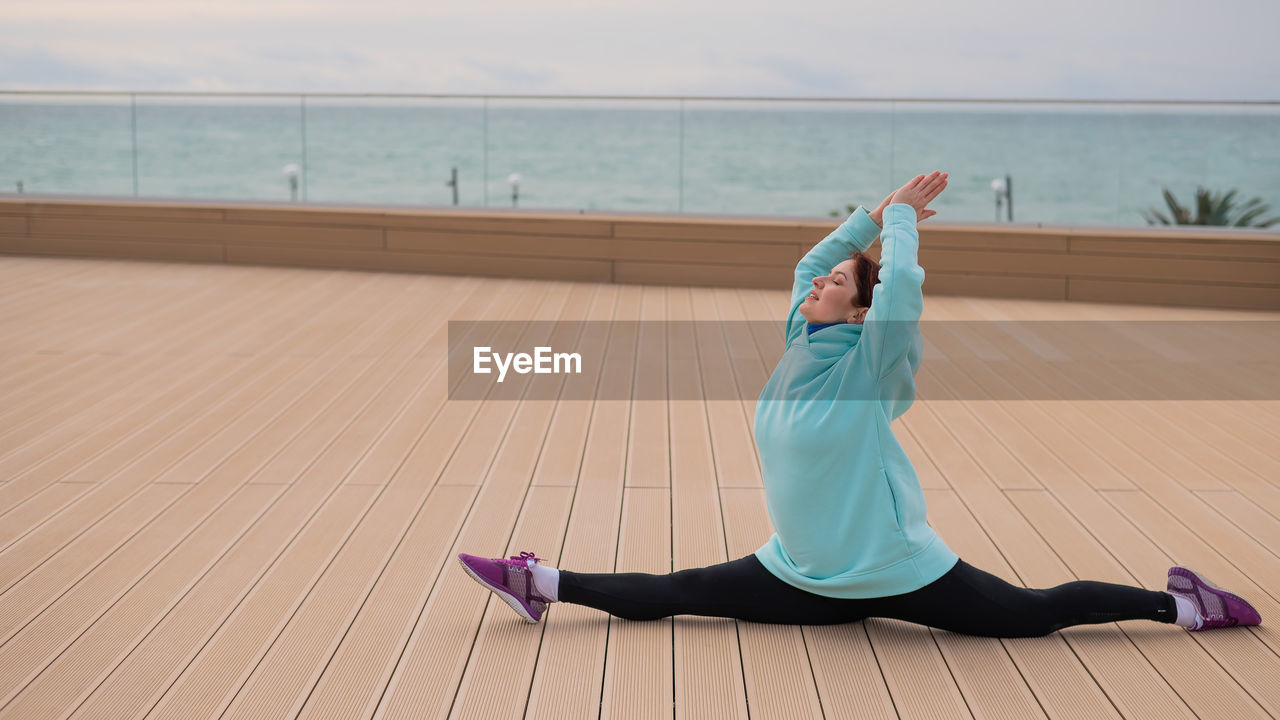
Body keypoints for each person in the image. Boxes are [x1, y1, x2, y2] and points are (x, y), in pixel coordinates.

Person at [458, 171, 1262, 636]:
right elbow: (814, 256)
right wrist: (871, 216)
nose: (818, 283)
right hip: (803, 572)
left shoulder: (868, 364)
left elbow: (901, 289)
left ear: (858, 312)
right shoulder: (802, 340)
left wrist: (904, 225)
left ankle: (1181, 603)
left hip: (892, 573)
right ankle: (542, 583)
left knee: (1032, 615)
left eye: (837, 285)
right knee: (683, 592)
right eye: (823, 281)